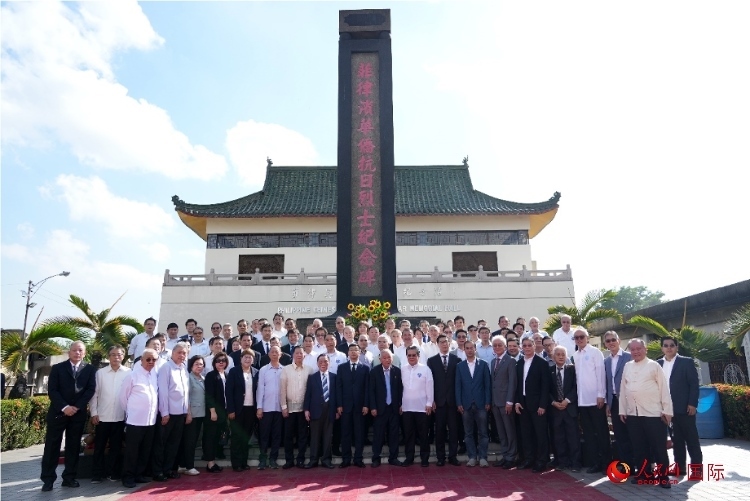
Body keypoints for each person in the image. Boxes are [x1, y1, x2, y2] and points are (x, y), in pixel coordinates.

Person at [40, 341, 96, 491]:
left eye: (80, 350)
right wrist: (65, 407)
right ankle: (48, 480)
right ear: (69, 352)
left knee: (73, 446)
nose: (77, 353)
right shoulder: (57, 368)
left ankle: (69, 478)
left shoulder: (90, 369)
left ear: (84, 353)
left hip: (77, 414)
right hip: (58, 413)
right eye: (74, 350)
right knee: (52, 446)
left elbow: (90, 390)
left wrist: (76, 407)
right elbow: (52, 390)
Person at [619, 339, 673, 489]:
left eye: (639, 349)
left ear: (645, 349)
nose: (636, 352)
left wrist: (667, 411)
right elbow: (623, 389)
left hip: (654, 413)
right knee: (639, 447)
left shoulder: (654, 365)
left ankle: (663, 477)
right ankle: (644, 474)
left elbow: (664, 388)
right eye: (633, 349)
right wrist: (622, 410)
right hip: (633, 413)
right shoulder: (627, 366)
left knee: (659, 447)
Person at [658, 336, 702, 476]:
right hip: (667, 410)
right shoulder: (657, 364)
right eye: (666, 345)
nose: (669, 348)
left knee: (691, 440)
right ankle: (680, 467)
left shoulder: (686, 362)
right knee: (676, 440)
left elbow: (694, 384)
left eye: (672, 345)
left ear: (677, 347)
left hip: (685, 408)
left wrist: (692, 404)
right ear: (662, 348)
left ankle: (697, 470)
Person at [571, 327, 611, 474]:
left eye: (582, 337)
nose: (579, 339)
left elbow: (601, 374)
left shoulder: (595, 352)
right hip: (582, 401)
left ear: (587, 338)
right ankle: (595, 463)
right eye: (576, 338)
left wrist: (601, 395)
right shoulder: (575, 355)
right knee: (588, 434)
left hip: (596, 400)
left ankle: (606, 463)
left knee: (601, 433)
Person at [89, 345, 131, 483]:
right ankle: (96, 474)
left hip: (120, 416)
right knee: (99, 447)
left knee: (116, 447)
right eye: (113, 354)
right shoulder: (100, 373)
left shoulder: (129, 373)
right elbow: (94, 394)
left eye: (119, 354)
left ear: (123, 356)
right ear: (108, 356)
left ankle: (113, 473)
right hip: (102, 416)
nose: (116, 357)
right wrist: (94, 413)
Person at [119, 348, 159, 488]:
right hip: (135, 421)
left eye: (154, 359)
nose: (151, 362)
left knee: (145, 450)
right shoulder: (132, 376)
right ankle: (128, 477)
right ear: (141, 360)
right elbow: (123, 398)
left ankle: (139, 474)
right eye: (148, 359)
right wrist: (131, 411)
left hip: (150, 421)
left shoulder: (154, 375)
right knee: (132, 451)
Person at [153, 342, 190, 481]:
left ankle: (168, 469)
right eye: (179, 352)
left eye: (184, 353)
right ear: (173, 353)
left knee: (174, 444)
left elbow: (186, 392)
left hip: (180, 413)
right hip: (168, 414)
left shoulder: (184, 368)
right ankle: (158, 471)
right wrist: (164, 412)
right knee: (161, 444)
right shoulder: (166, 367)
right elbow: (163, 391)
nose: (182, 355)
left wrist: (187, 411)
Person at [515, 337, 550, 473]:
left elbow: (545, 386)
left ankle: (542, 461)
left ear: (535, 346)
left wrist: (543, 405)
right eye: (524, 345)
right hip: (523, 404)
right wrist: (517, 401)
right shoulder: (519, 363)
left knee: (540, 434)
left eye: (529, 345)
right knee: (526, 434)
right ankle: (529, 459)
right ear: (521, 347)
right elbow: (517, 385)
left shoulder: (542, 363)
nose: (527, 348)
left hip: (538, 405)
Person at [455, 341, 492, 467]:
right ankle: (472, 457)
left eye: (472, 348)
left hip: (481, 404)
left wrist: (488, 401)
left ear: (475, 349)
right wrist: (459, 402)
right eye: (467, 348)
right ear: (464, 350)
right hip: (465, 404)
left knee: (483, 432)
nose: (469, 350)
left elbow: (487, 385)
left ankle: (483, 457)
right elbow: (458, 386)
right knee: (468, 433)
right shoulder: (460, 366)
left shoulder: (483, 364)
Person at [427, 334, 460, 467]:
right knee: (439, 431)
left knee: (454, 430)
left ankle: (453, 456)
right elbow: (430, 383)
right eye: (441, 342)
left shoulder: (457, 360)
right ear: (437, 344)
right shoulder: (432, 361)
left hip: (453, 402)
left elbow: (459, 382)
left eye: (446, 342)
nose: (444, 344)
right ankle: (440, 457)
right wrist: (432, 400)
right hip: (438, 402)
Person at [336, 344, 370, 468]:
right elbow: (339, 387)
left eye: (356, 350)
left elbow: (367, 388)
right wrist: (339, 404)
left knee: (359, 434)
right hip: (345, 406)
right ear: (348, 353)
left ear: (359, 352)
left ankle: (358, 458)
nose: (353, 352)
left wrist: (366, 404)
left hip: (360, 407)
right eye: (351, 350)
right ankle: (346, 459)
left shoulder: (365, 368)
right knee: (345, 433)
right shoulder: (341, 367)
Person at [603, 330, 633, 469]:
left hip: (629, 401)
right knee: (620, 435)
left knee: (633, 433)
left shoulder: (629, 357)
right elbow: (607, 383)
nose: (611, 343)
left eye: (613, 340)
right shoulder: (606, 361)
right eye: (608, 341)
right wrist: (608, 403)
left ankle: (638, 463)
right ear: (605, 344)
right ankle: (626, 465)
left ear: (619, 341)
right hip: (614, 402)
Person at [280, 346, 314, 468]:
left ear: (304, 355)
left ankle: (300, 459)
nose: (299, 355)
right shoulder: (286, 369)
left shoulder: (310, 370)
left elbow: (311, 391)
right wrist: (284, 407)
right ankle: (289, 460)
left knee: (303, 435)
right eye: (297, 353)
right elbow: (282, 389)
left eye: (301, 353)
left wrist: (308, 408)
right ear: (293, 355)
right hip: (289, 409)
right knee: (288, 435)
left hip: (304, 410)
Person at [369, 350, 403, 467]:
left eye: (389, 357)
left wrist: (400, 404)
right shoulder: (374, 372)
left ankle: (393, 458)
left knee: (394, 434)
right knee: (378, 434)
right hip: (379, 408)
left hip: (393, 408)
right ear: (380, 359)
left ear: (392, 359)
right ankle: (376, 458)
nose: (387, 360)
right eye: (384, 358)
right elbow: (371, 391)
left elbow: (400, 390)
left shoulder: (397, 371)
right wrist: (373, 407)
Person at [549, 346, 581, 472]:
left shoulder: (572, 369)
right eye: (558, 354)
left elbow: (576, 387)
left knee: (573, 438)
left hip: (569, 408)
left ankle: (576, 463)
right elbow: (546, 389)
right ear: (553, 357)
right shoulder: (549, 371)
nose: (561, 356)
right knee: (559, 438)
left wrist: (567, 400)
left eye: (563, 354)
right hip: (556, 409)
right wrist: (553, 402)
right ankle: (562, 462)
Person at [304, 354, 339, 469]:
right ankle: (313, 460)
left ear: (329, 363)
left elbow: (337, 395)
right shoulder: (312, 377)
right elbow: (308, 394)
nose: (323, 363)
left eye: (325, 361)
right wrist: (306, 410)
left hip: (330, 410)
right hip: (315, 410)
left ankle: (326, 460)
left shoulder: (334, 377)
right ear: (317, 363)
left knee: (328, 437)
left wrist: (337, 409)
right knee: (315, 437)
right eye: (320, 361)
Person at [401, 346, 434, 467]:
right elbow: (400, 388)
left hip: (422, 408)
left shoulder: (425, 369)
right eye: (409, 355)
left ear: (418, 356)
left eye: (414, 355)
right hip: (406, 408)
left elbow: (430, 387)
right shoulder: (402, 369)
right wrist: (400, 404)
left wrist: (429, 403)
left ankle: (424, 458)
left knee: (423, 435)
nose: (411, 357)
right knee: (408, 435)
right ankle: (409, 458)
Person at [226, 349, 258, 472]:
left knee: (246, 437)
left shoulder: (256, 372)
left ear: (253, 360)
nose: (247, 359)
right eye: (245, 357)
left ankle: (244, 462)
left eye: (250, 357)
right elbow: (229, 392)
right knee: (236, 437)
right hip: (237, 409)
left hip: (251, 409)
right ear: (241, 359)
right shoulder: (234, 371)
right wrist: (231, 410)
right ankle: (236, 463)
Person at [490, 335, 517, 469]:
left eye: (499, 345)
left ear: (505, 346)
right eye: (494, 345)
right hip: (495, 402)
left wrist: (510, 401)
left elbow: (512, 382)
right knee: (501, 431)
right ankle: (505, 455)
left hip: (506, 402)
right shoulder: (492, 361)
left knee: (509, 431)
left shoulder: (510, 361)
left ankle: (511, 457)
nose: (497, 347)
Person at [256, 346, 284, 469]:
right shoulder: (263, 370)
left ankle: (273, 459)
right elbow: (260, 389)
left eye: (276, 352)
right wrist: (259, 407)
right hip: (266, 408)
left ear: (281, 354)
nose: (274, 354)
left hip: (280, 408)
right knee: (264, 435)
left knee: (277, 435)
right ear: (268, 354)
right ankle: (262, 460)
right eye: (272, 352)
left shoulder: (284, 370)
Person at [179, 355, 205, 476]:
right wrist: (188, 413)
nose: (199, 366)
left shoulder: (202, 378)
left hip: (200, 413)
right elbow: (187, 397)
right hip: (192, 414)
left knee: (192, 440)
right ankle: (189, 466)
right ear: (191, 366)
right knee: (190, 441)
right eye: (196, 364)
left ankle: (183, 465)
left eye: (201, 364)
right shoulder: (189, 378)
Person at [204, 353, 230, 473]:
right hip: (213, 412)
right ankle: (210, 463)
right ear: (214, 363)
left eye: (223, 360)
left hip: (224, 411)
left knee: (218, 436)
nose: (221, 362)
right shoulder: (211, 375)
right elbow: (209, 395)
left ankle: (214, 459)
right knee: (211, 436)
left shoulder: (226, 375)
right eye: (218, 360)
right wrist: (212, 411)